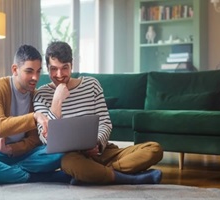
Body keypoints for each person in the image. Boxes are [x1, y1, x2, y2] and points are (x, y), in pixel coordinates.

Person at [33, 41, 164, 185]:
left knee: (154, 149)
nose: (59, 74)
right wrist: (57, 100)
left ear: (72, 65)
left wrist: (98, 143)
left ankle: (96, 174)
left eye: (64, 68)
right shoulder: (41, 95)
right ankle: (126, 177)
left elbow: (105, 123)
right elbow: (45, 138)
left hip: (103, 152)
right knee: (68, 163)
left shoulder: (91, 85)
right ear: (47, 68)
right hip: (73, 157)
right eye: (54, 69)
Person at [0, 44, 71, 185]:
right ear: (15, 70)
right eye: (29, 71)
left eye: (38, 72)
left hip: (21, 155)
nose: (35, 77)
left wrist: (11, 149)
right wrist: (33, 116)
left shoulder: (35, 96)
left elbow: (34, 140)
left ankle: (1, 174)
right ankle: (35, 177)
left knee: (60, 150)